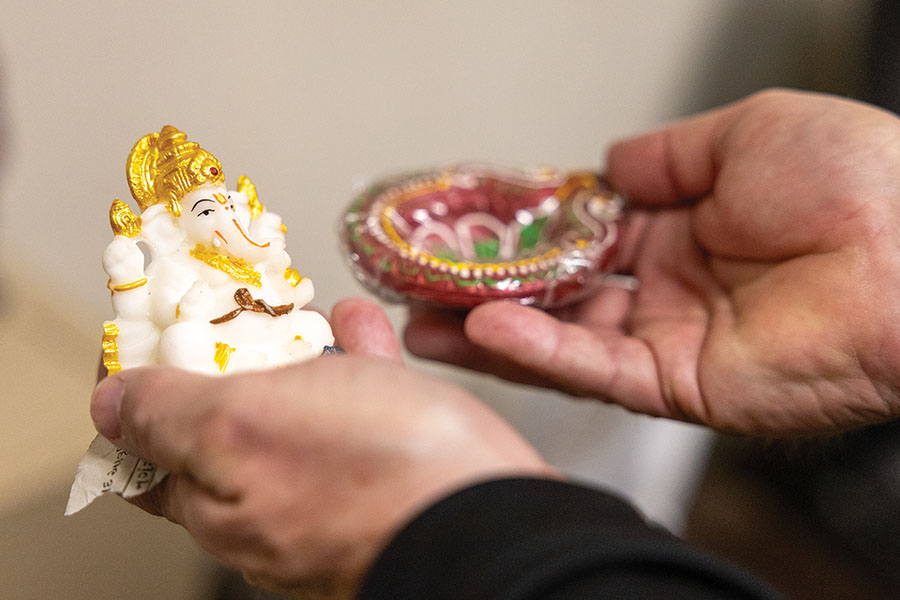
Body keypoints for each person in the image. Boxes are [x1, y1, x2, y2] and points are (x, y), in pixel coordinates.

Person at [89, 89, 900, 599]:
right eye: (207, 216)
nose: (230, 222)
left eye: (231, 208)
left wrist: (431, 533)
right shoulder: (177, 273)